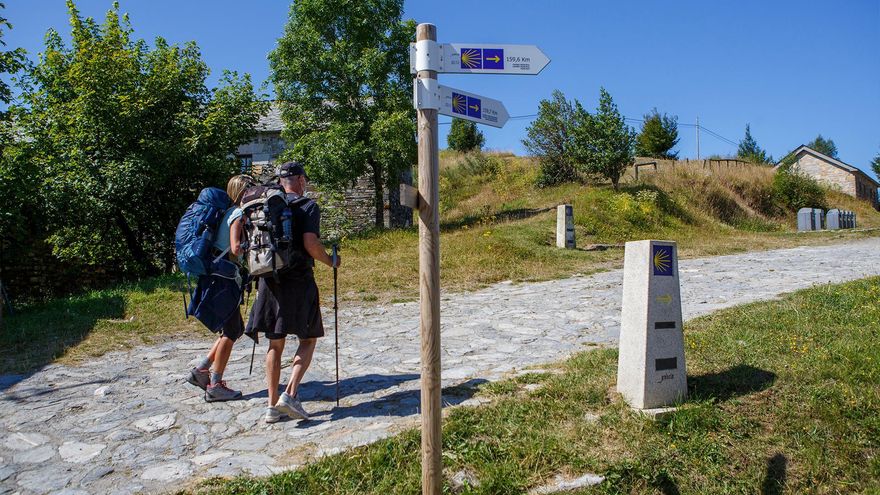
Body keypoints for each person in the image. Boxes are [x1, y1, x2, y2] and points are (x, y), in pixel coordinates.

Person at [245, 161, 340, 423]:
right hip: (298, 280)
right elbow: (311, 243)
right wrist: (331, 261)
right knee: (308, 339)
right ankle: (291, 393)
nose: (305, 183)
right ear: (299, 180)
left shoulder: (266, 205)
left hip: (269, 280)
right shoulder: (308, 206)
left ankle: (271, 406)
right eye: (304, 179)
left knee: (275, 344)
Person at [186, 174, 256, 401]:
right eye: (250, 189)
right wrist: (251, 245)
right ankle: (215, 384)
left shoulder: (225, 213)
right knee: (232, 331)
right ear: (242, 192)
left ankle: (201, 370)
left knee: (232, 328)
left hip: (217, 276)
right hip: (224, 279)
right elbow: (235, 248)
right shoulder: (237, 214)